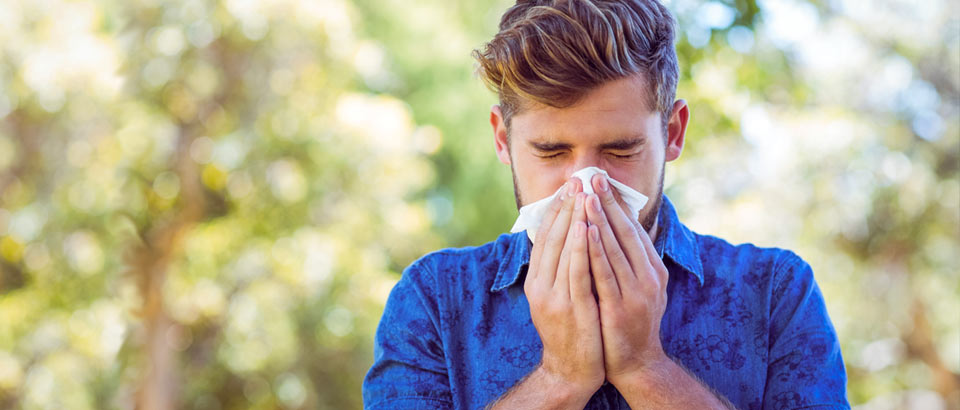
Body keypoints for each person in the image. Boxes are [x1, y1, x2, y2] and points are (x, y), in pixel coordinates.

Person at [363, 0, 850, 408]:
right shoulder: (434, 301)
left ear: (673, 133)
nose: (585, 185)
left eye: (620, 151)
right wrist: (559, 378)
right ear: (503, 139)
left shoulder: (774, 295)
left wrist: (646, 367)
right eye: (551, 152)